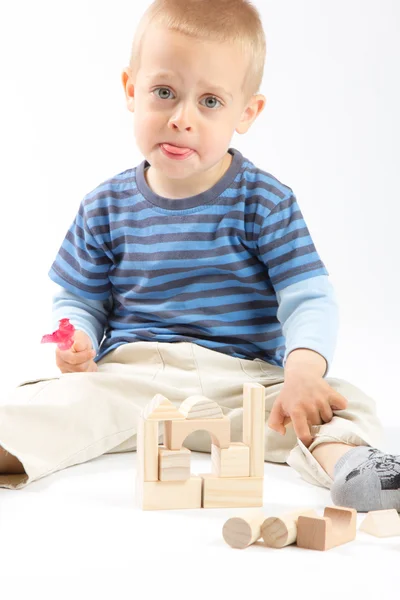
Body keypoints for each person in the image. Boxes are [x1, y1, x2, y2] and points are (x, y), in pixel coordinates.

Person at [0, 0, 397, 513]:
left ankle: (352, 465)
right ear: (130, 90)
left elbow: (309, 297)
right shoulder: (104, 205)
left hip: (246, 381)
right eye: (164, 93)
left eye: (210, 101)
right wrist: (75, 335)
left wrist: (303, 371)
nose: (182, 118)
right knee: (53, 404)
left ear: (246, 113)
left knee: (339, 403)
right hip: (133, 377)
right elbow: (80, 297)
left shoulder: (265, 201)